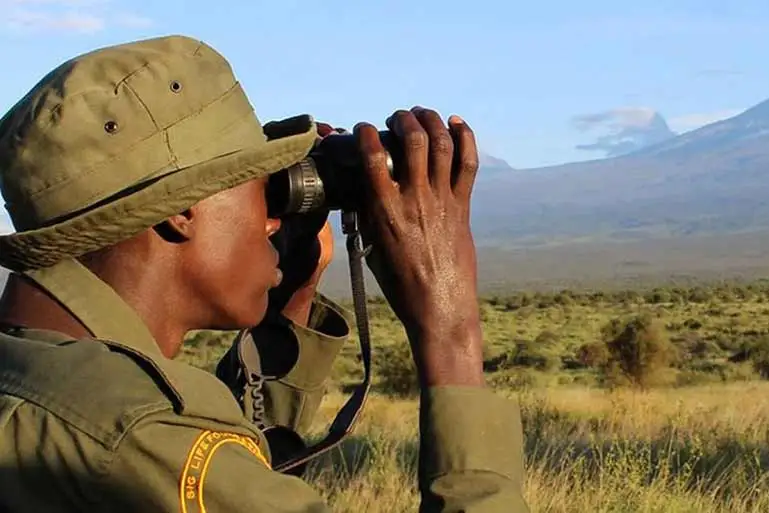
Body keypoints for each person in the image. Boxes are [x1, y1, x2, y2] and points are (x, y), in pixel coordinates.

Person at [0, 34, 529, 512]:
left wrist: (290, 298)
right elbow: (183, 455)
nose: (275, 219)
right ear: (180, 210)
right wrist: (450, 332)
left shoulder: (37, 378)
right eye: (260, 189)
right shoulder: (141, 440)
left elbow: (243, 472)